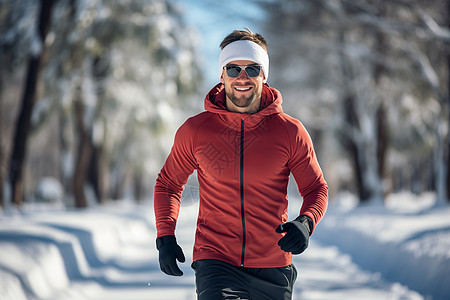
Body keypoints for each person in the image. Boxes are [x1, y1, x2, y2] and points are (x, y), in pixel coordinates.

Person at [154, 28, 328, 300]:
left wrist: (306, 222)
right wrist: (165, 236)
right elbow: (168, 184)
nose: (242, 78)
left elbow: (316, 187)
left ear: (264, 75)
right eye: (233, 69)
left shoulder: (290, 132)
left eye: (252, 69)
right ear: (221, 75)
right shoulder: (197, 130)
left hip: (274, 266)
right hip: (216, 261)